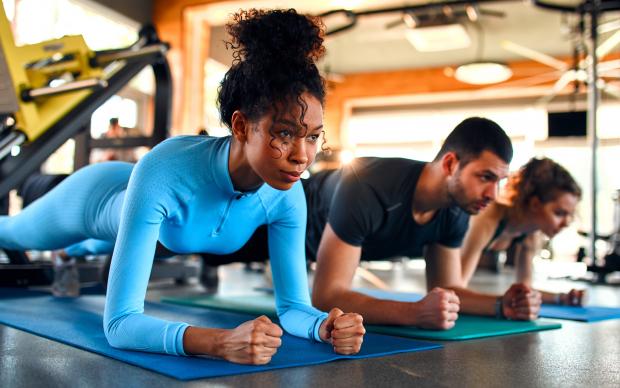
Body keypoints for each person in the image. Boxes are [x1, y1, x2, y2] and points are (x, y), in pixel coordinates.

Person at [0, 9, 365, 364]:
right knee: (13, 233)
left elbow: (293, 308)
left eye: (314, 137)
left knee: (114, 243)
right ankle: (62, 249)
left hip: (159, 228)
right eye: (285, 133)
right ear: (240, 126)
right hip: (96, 197)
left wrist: (324, 326)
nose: (302, 156)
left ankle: (69, 255)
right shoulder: (167, 170)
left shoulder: (287, 196)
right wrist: (219, 342)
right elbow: (119, 324)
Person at [309, 117, 519, 329]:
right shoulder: (366, 186)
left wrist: (503, 305)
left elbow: (447, 287)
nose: (494, 194)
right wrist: (414, 312)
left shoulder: (456, 209)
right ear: (450, 164)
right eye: (485, 177)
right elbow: (327, 296)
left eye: (499, 182)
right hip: (280, 229)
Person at [451, 157, 583, 319]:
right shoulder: (487, 219)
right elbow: (455, 292)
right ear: (535, 204)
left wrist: (563, 297)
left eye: (570, 215)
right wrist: (502, 305)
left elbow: (526, 290)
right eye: (559, 213)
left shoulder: (531, 233)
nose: (566, 223)